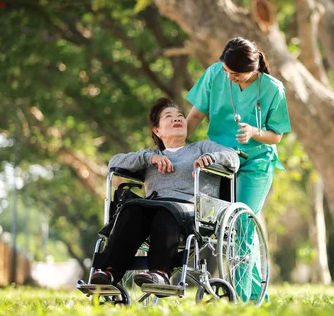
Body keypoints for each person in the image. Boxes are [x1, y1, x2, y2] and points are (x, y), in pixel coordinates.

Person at [90, 98, 239, 287]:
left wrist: (210, 158)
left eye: (180, 116)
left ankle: (161, 273)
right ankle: (108, 272)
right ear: (157, 130)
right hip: (154, 207)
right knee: (132, 209)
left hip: (191, 211)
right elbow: (114, 162)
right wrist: (149, 157)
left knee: (165, 211)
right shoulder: (150, 157)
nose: (177, 119)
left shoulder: (201, 148)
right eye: (169, 116)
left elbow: (233, 159)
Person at [185, 37, 291, 302]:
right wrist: (175, 146)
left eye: (236, 73)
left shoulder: (273, 89)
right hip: (220, 161)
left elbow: (276, 135)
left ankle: (241, 297)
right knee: (226, 228)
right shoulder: (214, 74)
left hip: (256, 163)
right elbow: (196, 114)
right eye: (226, 71)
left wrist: (255, 132)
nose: (229, 77)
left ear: (253, 68)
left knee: (242, 222)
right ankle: (257, 296)